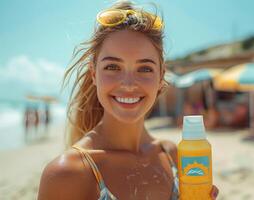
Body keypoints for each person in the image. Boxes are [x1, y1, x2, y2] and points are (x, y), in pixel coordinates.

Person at [38, 1, 219, 199]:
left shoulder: (173, 156)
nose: (129, 84)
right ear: (93, 74)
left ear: (161, 77)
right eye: (113, 67)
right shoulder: (69, 174)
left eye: (145, 68)